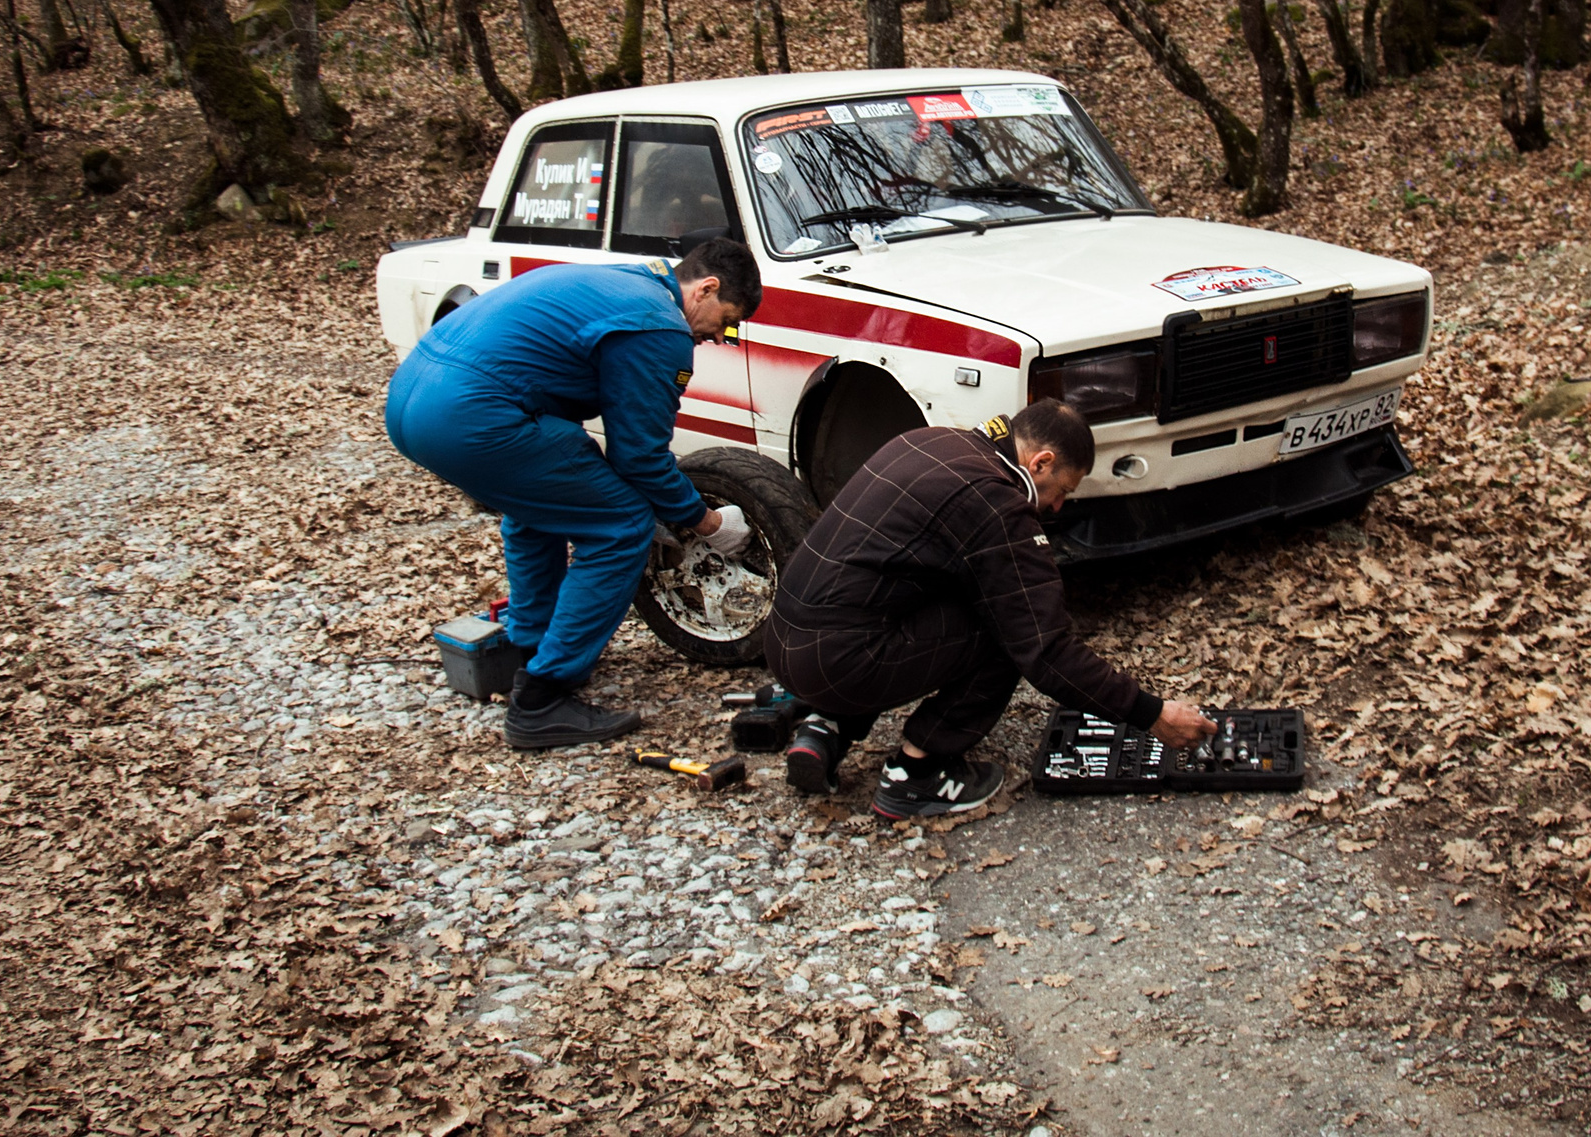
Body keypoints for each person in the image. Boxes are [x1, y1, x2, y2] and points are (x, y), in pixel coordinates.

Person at [385, 239, 764, 749]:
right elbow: (640, 457)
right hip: (470, 416)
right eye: (726, 320)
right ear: (706, 288)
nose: (720, 335)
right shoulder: (659, 326)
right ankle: (541, 702)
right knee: (621, 526)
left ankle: (532, 646)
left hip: (415, 396)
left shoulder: (627, 281)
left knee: (537, 508)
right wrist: (707, 523)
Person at [763, 399, 1217, 819]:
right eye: (1062, 490)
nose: (1057, 506)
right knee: (1009, 626)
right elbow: (1046, 649)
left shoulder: (935, 440)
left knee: (932, 592)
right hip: (834, 661)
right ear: (1041, 462)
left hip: (786, 639)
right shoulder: (995, 500)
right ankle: (918, 774)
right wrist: (1151, 714)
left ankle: (830, 724)